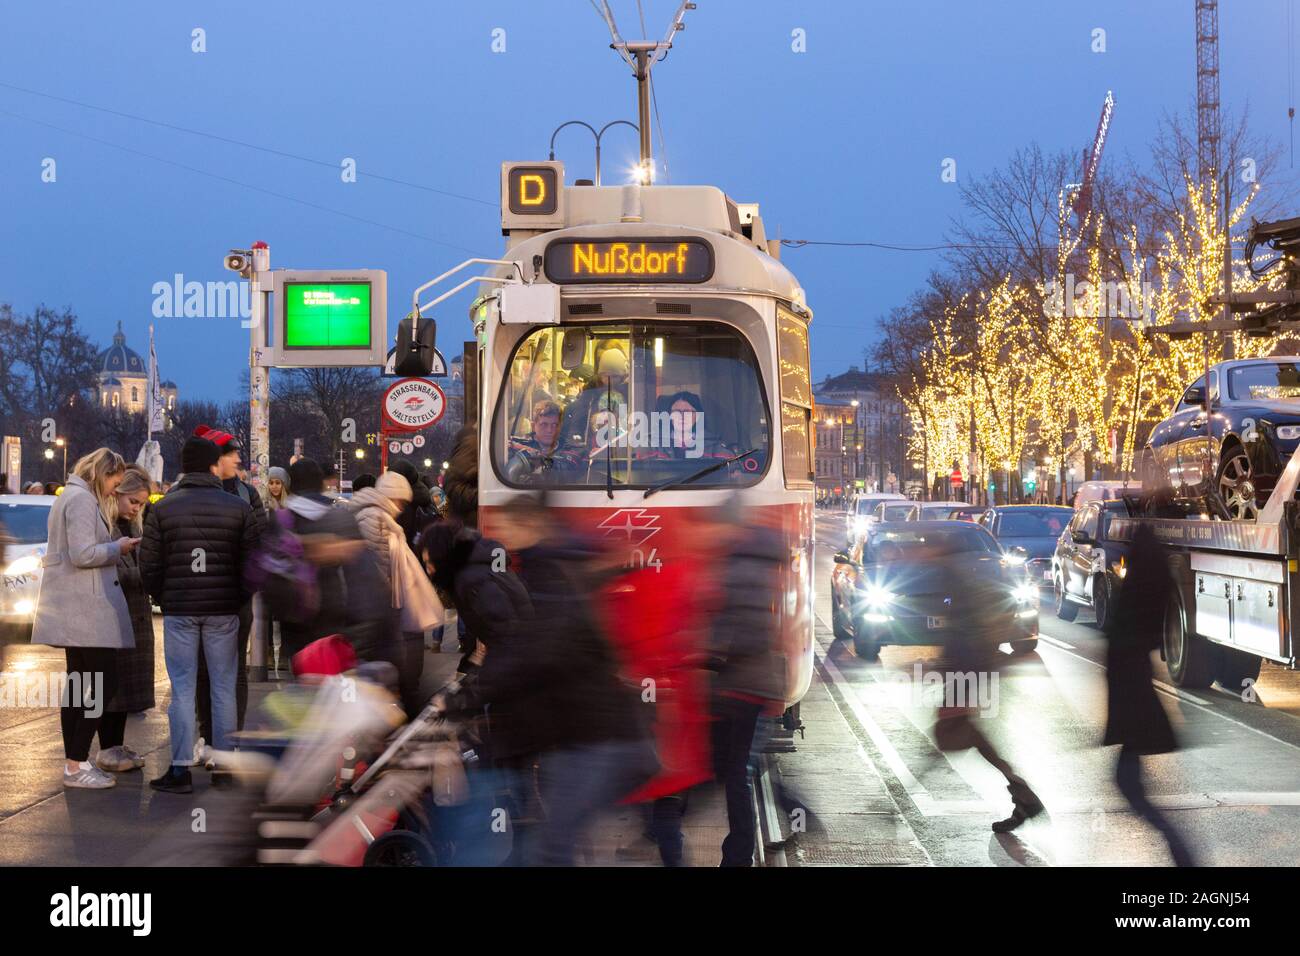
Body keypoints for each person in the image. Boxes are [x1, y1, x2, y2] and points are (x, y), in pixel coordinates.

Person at [140, 436, 259, 793]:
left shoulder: (162, 508)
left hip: (180, 610)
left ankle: (179, 770)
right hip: (224, 610)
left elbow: (149, 564)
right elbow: (252, 564)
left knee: (183, 688)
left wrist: (164, 596)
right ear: (212, 466)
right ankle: (224, 765)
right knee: (224, 686)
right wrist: (237, 595)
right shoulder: (238, 508)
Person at [30, 448, 135, 790]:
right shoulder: (81, 501)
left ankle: (75, 763)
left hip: (74, 609)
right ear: (101, 474)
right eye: (113, 483)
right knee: (103, 685)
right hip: (87, 610)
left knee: (78, 686)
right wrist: (117, 548)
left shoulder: (69, 496)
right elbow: (83, 554)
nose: (113, 491)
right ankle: (76, 764)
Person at [701, 500, 787, 865]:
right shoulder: (748, 560)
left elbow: (747, 629)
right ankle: (739, 848)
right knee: (733, 769)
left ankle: (739, 853)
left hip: (746, 686)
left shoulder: (742, 565)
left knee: (736, 773)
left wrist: (713, 650)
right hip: (745, 685)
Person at [1104, 524, 1194, 865]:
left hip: (1132, 690)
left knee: (1127, 783)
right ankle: (1180, 852)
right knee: (1128, 782)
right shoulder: (1152, 585)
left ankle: (1182, 853)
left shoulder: (1139, 592)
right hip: (1133, 686)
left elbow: (1126, 638)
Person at [192, 425, 266, 752]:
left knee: (232, 670)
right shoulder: (187, 492)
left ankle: (230, 740)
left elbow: (259, 545)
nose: (238, 458)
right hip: (198, 597)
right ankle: (207, 737)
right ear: (215, 459)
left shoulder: (247, 494)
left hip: (235, 599)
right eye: (231, 453)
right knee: (202, 672)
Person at [278, 458, 389, 668]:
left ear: (290, 484)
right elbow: (364, 580)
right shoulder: (340, 517)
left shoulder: (280, 520)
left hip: (295, 625)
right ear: (321, 483)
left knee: (303, 684)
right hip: (335, 623)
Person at [347, 469, 427, 718]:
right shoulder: (376, 518)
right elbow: (379, 567)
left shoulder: (379, 516)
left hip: (377, 610)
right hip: (377, 610)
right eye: (401, 501)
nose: (402, 508)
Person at [95, 465, 155, 773]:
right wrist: (150, 570)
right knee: (112, 689)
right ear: (116, 494)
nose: (136, 509)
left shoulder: (130, 526)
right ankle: (106, 748)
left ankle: (115, 745)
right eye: (133, 501)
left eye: (141, 503)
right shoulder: (106, 526)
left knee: (124, 689)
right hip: (114, 617)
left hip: (133, 615)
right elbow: (115, 571)